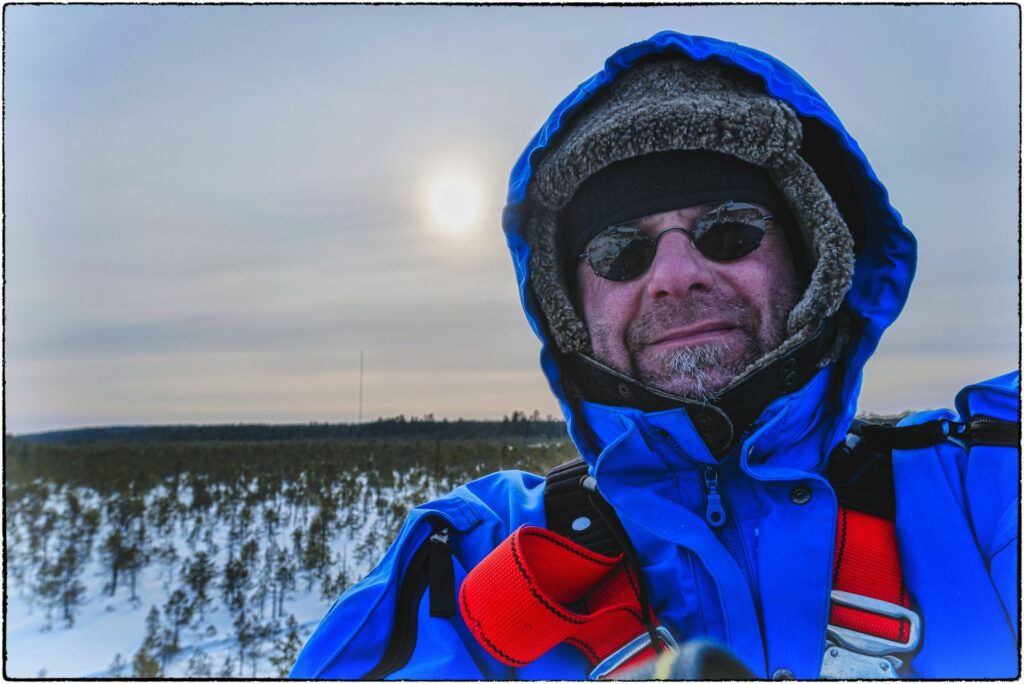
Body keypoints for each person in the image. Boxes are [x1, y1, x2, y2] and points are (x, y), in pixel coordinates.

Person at [290, 31, 1019, 679]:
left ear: (810, 260)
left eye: (728, 230)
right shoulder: (466, 570)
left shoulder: (984, 494)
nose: (674, 276)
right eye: (619, 251)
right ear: (569, 307)